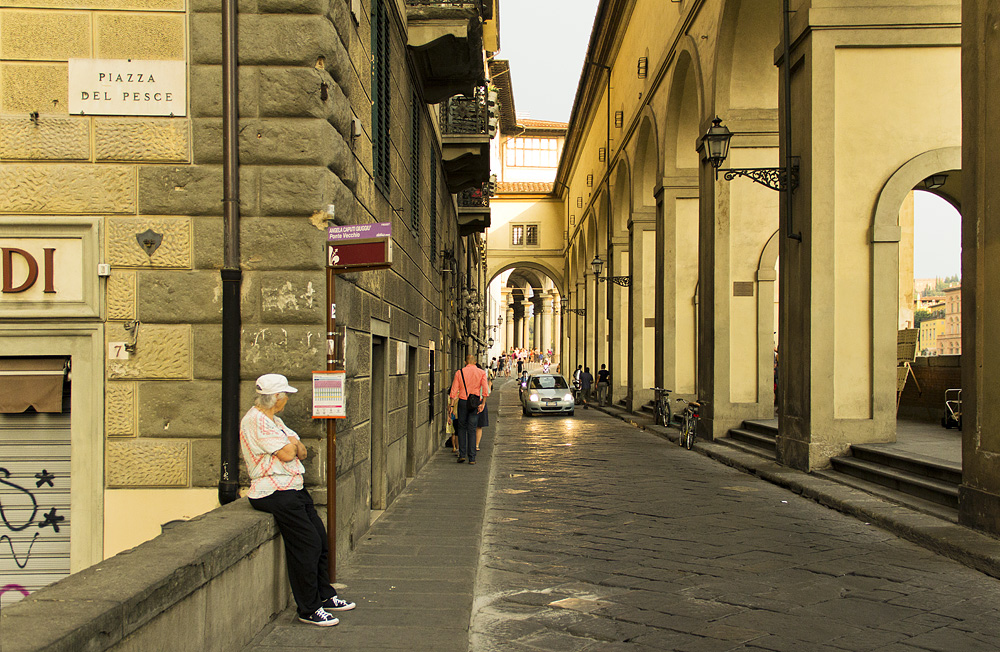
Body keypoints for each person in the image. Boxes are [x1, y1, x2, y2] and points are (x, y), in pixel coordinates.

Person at [240, 373, 356, 627]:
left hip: (292, 488)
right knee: (307, 546)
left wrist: (291, 445)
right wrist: (290, 445)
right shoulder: (256, 421)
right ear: (276, 398)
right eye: (285, 396)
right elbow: (287, 451)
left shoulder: (275, 421)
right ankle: (308, 608)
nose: (287, 400)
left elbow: (300, 451)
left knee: (320, 540)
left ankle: (325, 596)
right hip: (273, 492)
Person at [449, 354, 489, 464]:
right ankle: (472, 457)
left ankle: (462, 454)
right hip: (475, 402)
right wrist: (483, 403)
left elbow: (453, 391)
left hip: (462, 401)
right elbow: (485, 389)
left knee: (461, 427)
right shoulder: (481, 373)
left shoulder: (459, 372)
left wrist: (451, 406)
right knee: (472, 428)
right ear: (475, 362)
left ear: (465, 362)